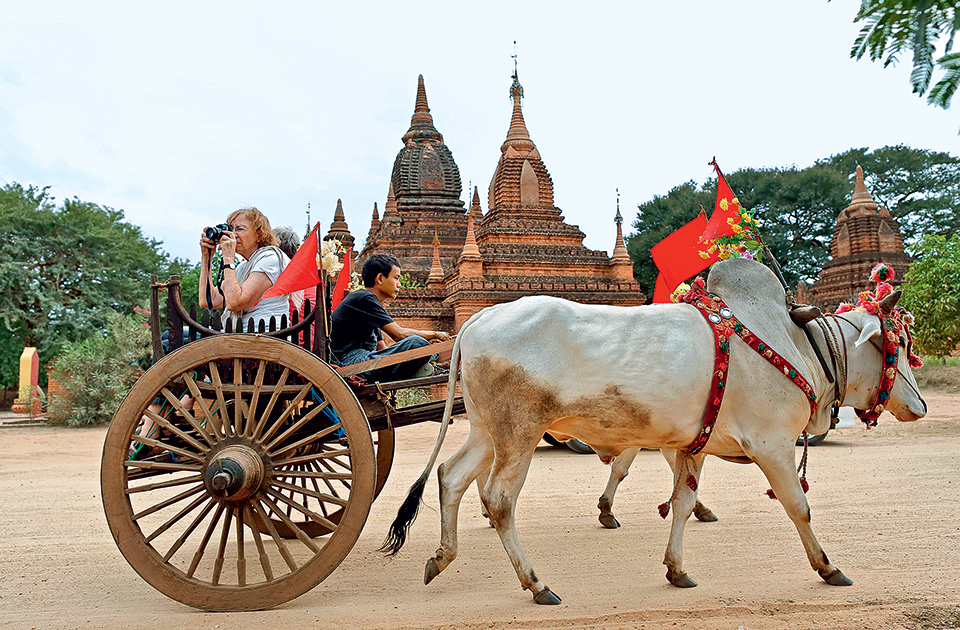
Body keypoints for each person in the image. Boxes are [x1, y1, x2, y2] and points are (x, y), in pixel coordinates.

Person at [330, 253, 451, 382]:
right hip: (349, 363)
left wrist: (422, 356)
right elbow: (399, 334)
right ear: (380, 278)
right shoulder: (364, 298)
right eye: (396, 278)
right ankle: (435, 355)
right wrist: (435, 334)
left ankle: (430, 359)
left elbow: (383, 350)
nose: (399, 284)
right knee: (416, 343)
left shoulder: (369, 304)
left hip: (366, 360)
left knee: (418, 345)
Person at [199, 207, 290, 330]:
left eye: (240, 229)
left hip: (265, 336)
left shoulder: (270, 259)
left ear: (259, 235)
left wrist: (228, 258)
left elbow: (235, 303)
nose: (233, 235)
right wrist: (206, 257)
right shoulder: (243, 266)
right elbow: (208, 300)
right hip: (243, 335)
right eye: (231, 229)